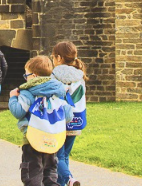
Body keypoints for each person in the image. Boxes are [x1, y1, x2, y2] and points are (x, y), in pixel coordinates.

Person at [9, 55, 73, 186]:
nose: (26, 78)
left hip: (33, 138)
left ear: (34, 75)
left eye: (26, 75)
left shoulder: (28, 91)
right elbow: (68, 116)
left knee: (32, 172)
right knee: (50, 172)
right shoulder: (58, 91)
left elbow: (18, 112)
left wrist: (13, 98)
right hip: (52, 137)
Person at [51, 41, 87, 186]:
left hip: (60, 118)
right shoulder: (80, 75)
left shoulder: (55, 75)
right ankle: (64, 183)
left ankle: (69, 179)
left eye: (53, 57)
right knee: (65, 155)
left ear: (59, 58)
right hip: (77, 118)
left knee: (57, 156)